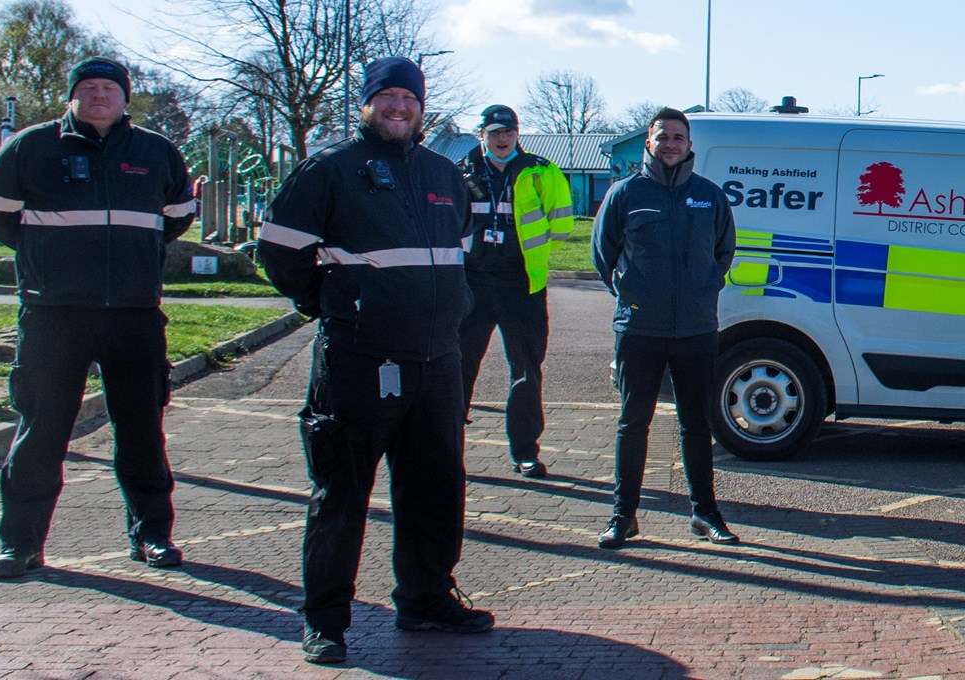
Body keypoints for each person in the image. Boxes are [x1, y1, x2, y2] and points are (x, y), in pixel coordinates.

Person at [259, 57, 495, 665]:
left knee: (436, 487)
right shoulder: (330, 170)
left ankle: (425, 599)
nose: (398, 107)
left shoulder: (444, 173)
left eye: (408, 98)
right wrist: (336, 306)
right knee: (341, 492)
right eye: (385, 96)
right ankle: (325, 621)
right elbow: (280, 253)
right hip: (360, 361)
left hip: (438, 360)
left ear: (422, 107)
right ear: (366, 105)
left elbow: (458, 254)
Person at [0, 57, 195, 579]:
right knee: (42, 432)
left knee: (142, 431)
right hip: (55, 314)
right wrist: (45, 255)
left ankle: (152, 536)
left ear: (125, 97)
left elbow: (178, 216)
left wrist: (133, 257)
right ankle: (20, 545)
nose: (100, 95)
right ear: (72, 95)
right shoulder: (32, 145)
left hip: (134, 315)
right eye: (89, 87)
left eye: (110, 88)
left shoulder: (155, 151)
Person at [590, 108, 740, 550]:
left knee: (697, 423)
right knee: (633, 422)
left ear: (689, 144)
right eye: (663, 136)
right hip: (640, 328)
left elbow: (723, 251)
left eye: (679, 136)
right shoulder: (625, 194)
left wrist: (705, 286)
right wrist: (631, 294)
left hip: (696, 329)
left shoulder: (709, 196)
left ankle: (705, 513)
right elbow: (604, 256)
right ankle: (624, 516)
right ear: (648, 143)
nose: (671, 143)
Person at [457, 104, 576, 479]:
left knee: (526, 371)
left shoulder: (541, 170)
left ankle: (525, 452)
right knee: (456, 369)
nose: (501, 139)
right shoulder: (460, 172)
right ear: (482, 135)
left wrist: (531, 253)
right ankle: (447, 450)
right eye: (494, 133)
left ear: (517, 134)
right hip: (471, 284)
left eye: (507, 132)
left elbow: (561, 223)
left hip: (521, 284)